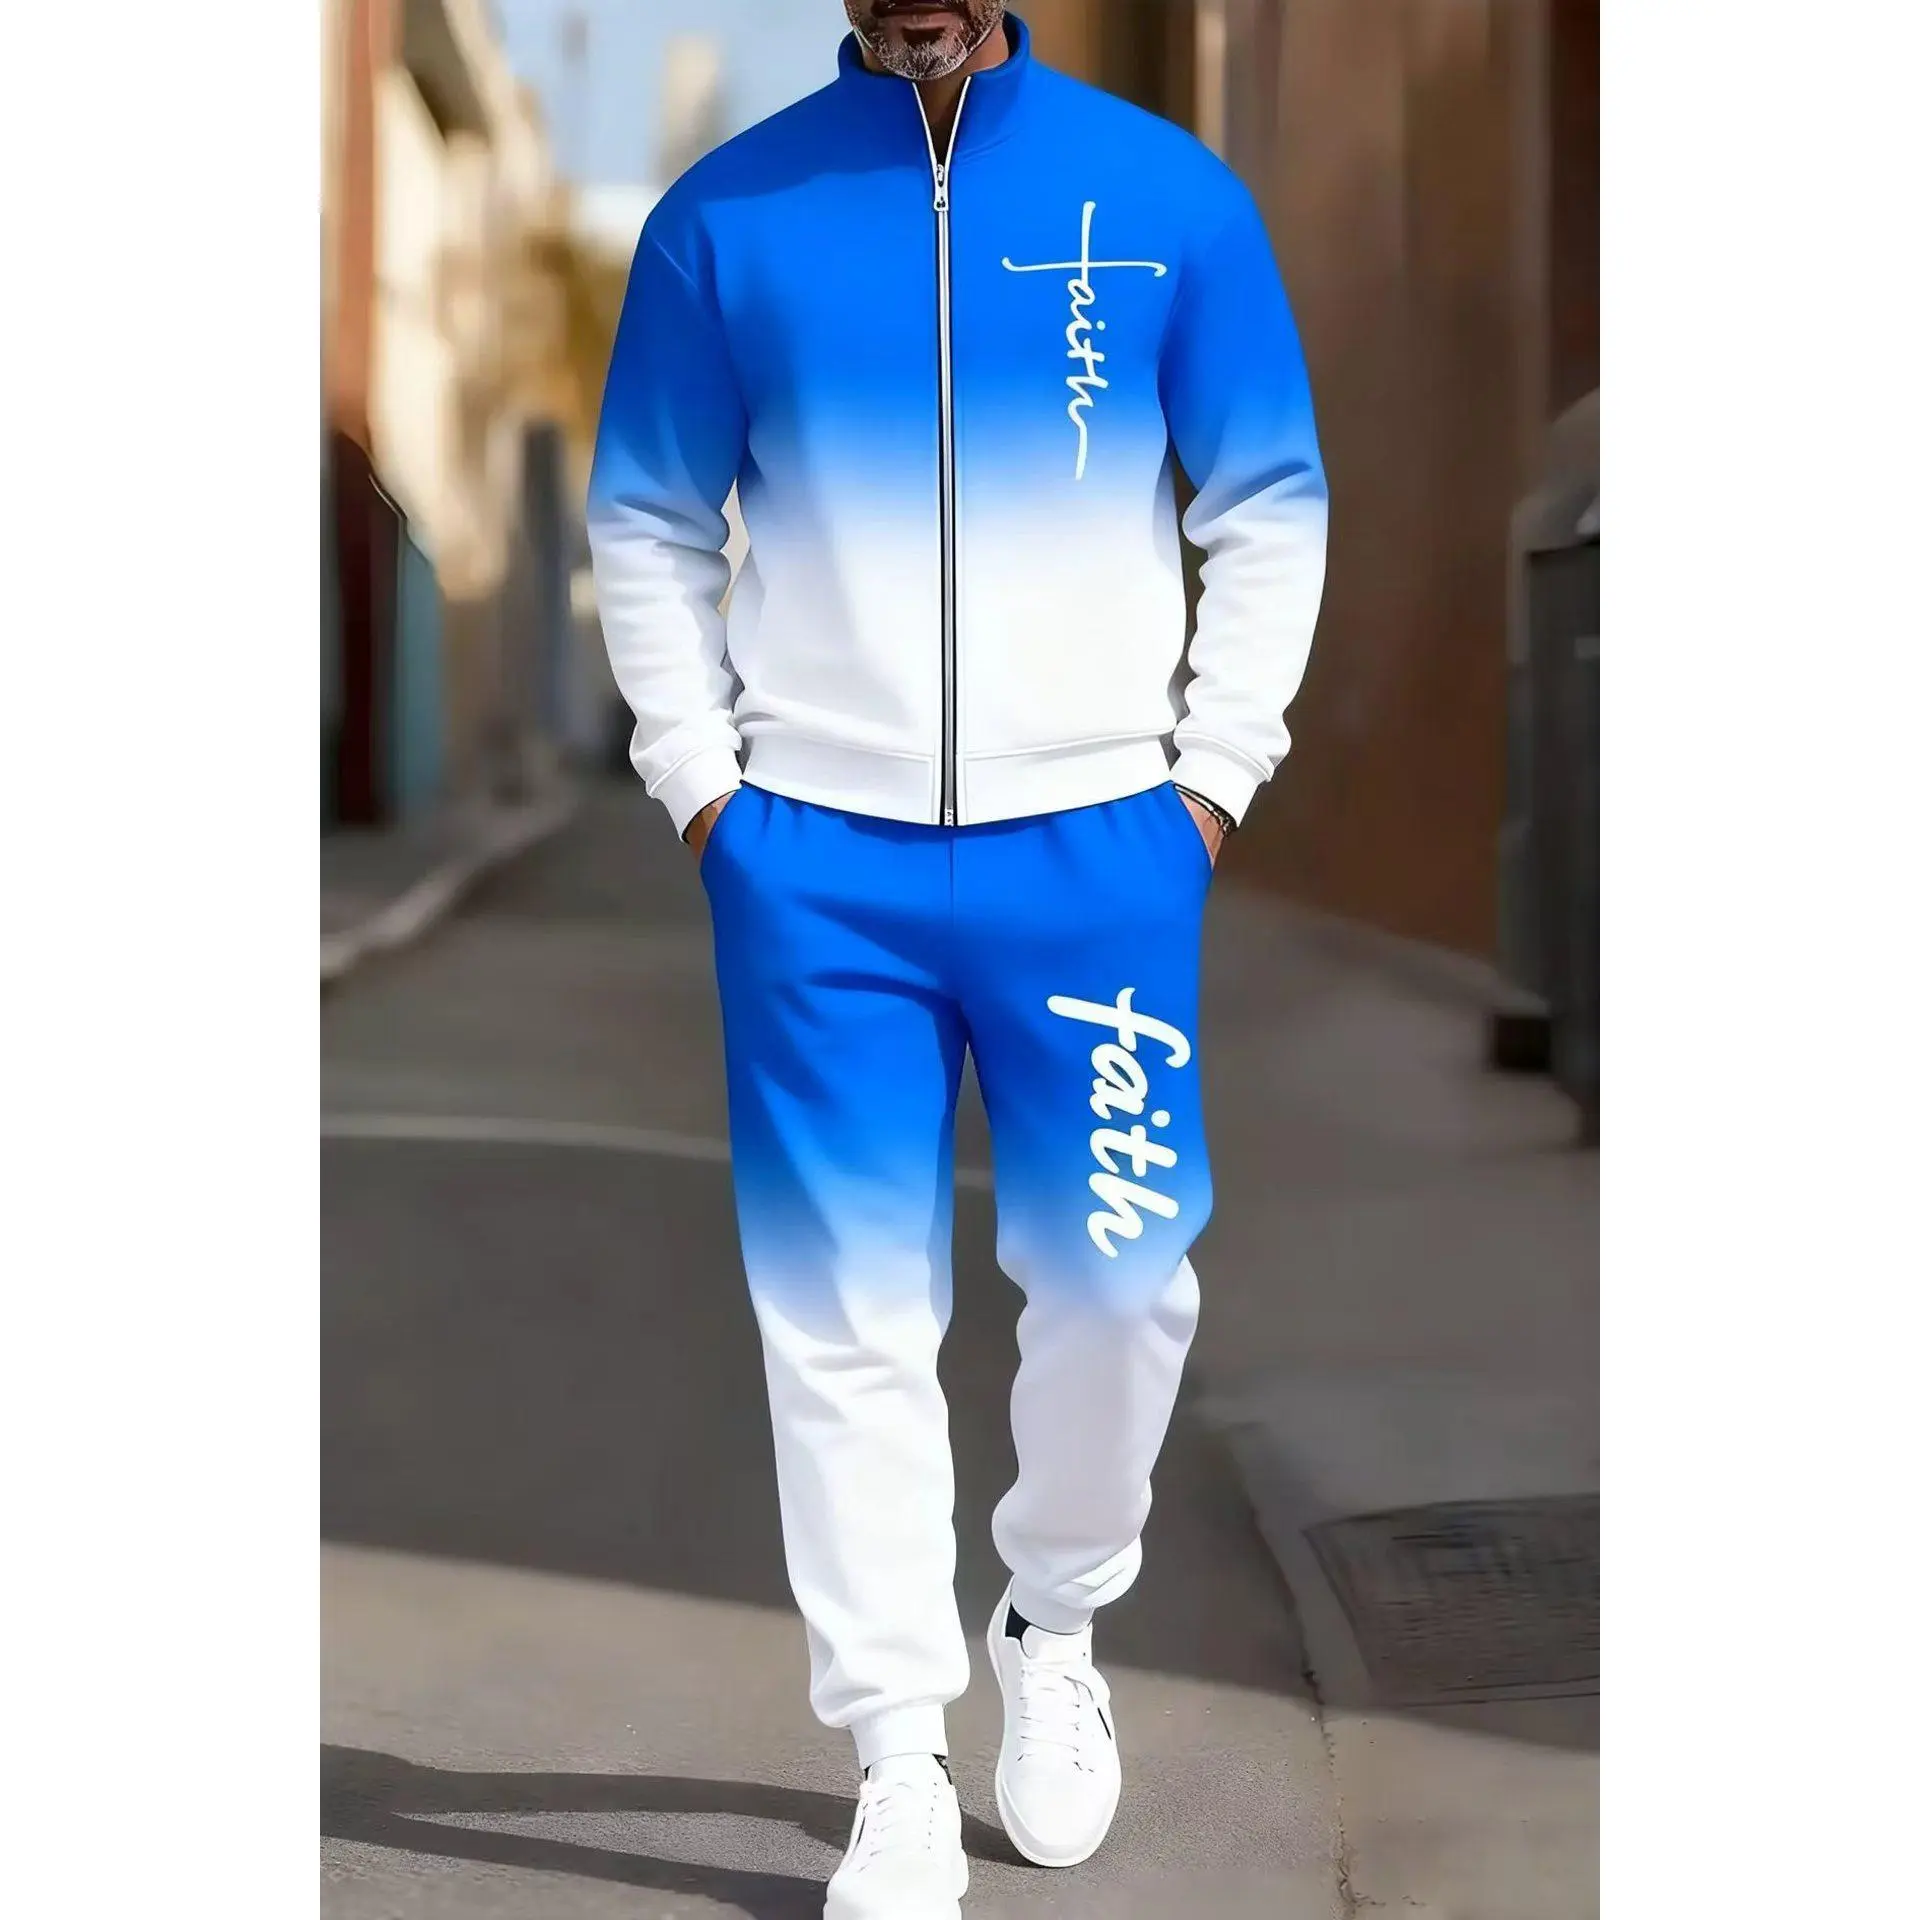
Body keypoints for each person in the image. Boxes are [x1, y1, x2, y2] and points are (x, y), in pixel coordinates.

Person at [588, 5, 1326, 1913]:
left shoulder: (1166, 198)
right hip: (815, 866)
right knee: (840, 1318)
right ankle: (896, 1752)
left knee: (1122, 1284)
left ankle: (1054, 1620)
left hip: (1099, 854)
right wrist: (706, 794)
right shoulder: (722, 222)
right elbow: (649, 521)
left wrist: (1210, 783)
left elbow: (1266, 503)